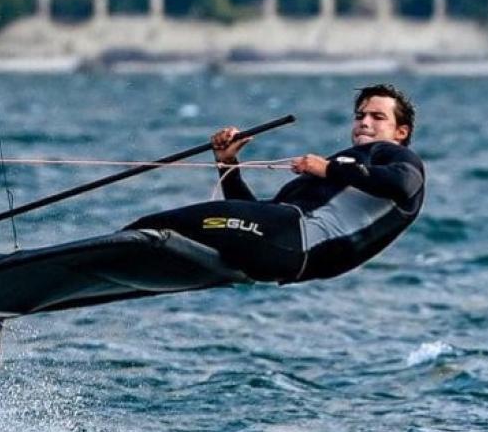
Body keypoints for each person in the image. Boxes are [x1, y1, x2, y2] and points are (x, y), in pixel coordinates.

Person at [125, 83, 425, 283]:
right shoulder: (342, 181)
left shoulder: (398, 156)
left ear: (401, 132)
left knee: (163, 225)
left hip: (295, 244)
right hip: (278, 247)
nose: (364, 122)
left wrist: (328, 168)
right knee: (205, 224)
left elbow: (405, 184)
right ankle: (127, 259)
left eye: (377, 117)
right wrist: (228, 163)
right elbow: (253, 219)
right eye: (360, 115)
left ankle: (117, 246)